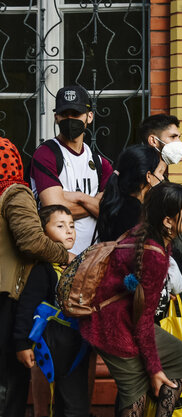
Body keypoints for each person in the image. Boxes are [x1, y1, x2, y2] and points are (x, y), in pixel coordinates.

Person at [80, 182, 182, 416]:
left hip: (125, 318)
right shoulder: (153, 255)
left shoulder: (149, 236)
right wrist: (155, 369)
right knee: (135, 391)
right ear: (167, 222)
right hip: (111, 327)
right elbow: (144, 323)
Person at [0, 138, 70, 417]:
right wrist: (66, 257)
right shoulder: (15, 193)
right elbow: (30, 241)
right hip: (8, 299)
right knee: (8, 386)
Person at [13, 205, 89, 417]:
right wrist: (21, 343)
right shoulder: (43, 270)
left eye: (72, 226)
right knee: (63, 406)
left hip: (77, 348)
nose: (69, 231)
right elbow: (27, 306)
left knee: (74, 406)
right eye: (60, 225)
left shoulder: (78, 264)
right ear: (43, 233)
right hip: (52, 348)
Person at [29, 85, 114, 254]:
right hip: (58, 260)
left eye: (75, 114)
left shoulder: (99, 163)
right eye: (64, 114)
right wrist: (94, 204)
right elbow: (54, 213)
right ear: (56, 117)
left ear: (89, 117)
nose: (70, 119)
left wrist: (78, 197)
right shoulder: (46, 154)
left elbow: (111, 210)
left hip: (94, 258)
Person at [139, 114, 182, 313]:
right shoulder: (141, 184)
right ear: (153, 140)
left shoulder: (163, 180)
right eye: (173, 137)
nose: (178, 143)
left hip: (179, 286)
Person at [97, 145, 165, 242]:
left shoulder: (116, 201)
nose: (162, 178)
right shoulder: (136, 213)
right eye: (160, 172)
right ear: (148, 176)